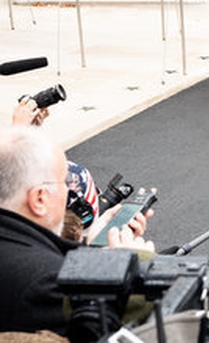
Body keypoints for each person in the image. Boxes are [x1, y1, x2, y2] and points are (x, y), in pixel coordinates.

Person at [0, 126, 155, 338]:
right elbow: (109, 332)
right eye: (64, 181)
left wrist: (90, 250)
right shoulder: (47, 283)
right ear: (39, 199)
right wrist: (133, 266)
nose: (67, 190)